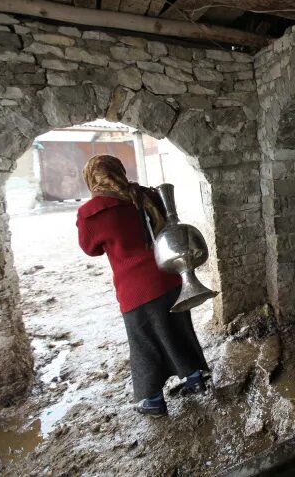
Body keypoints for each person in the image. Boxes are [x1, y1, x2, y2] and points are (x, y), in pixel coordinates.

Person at [76, 155, 209, 417]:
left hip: (135, 289)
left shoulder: (91, 212)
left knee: (144, 342)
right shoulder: (144, 196)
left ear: (92, 178)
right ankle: (195, 379)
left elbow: (90, 249)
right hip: (169, 274)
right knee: (178, 329)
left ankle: (153, 401)